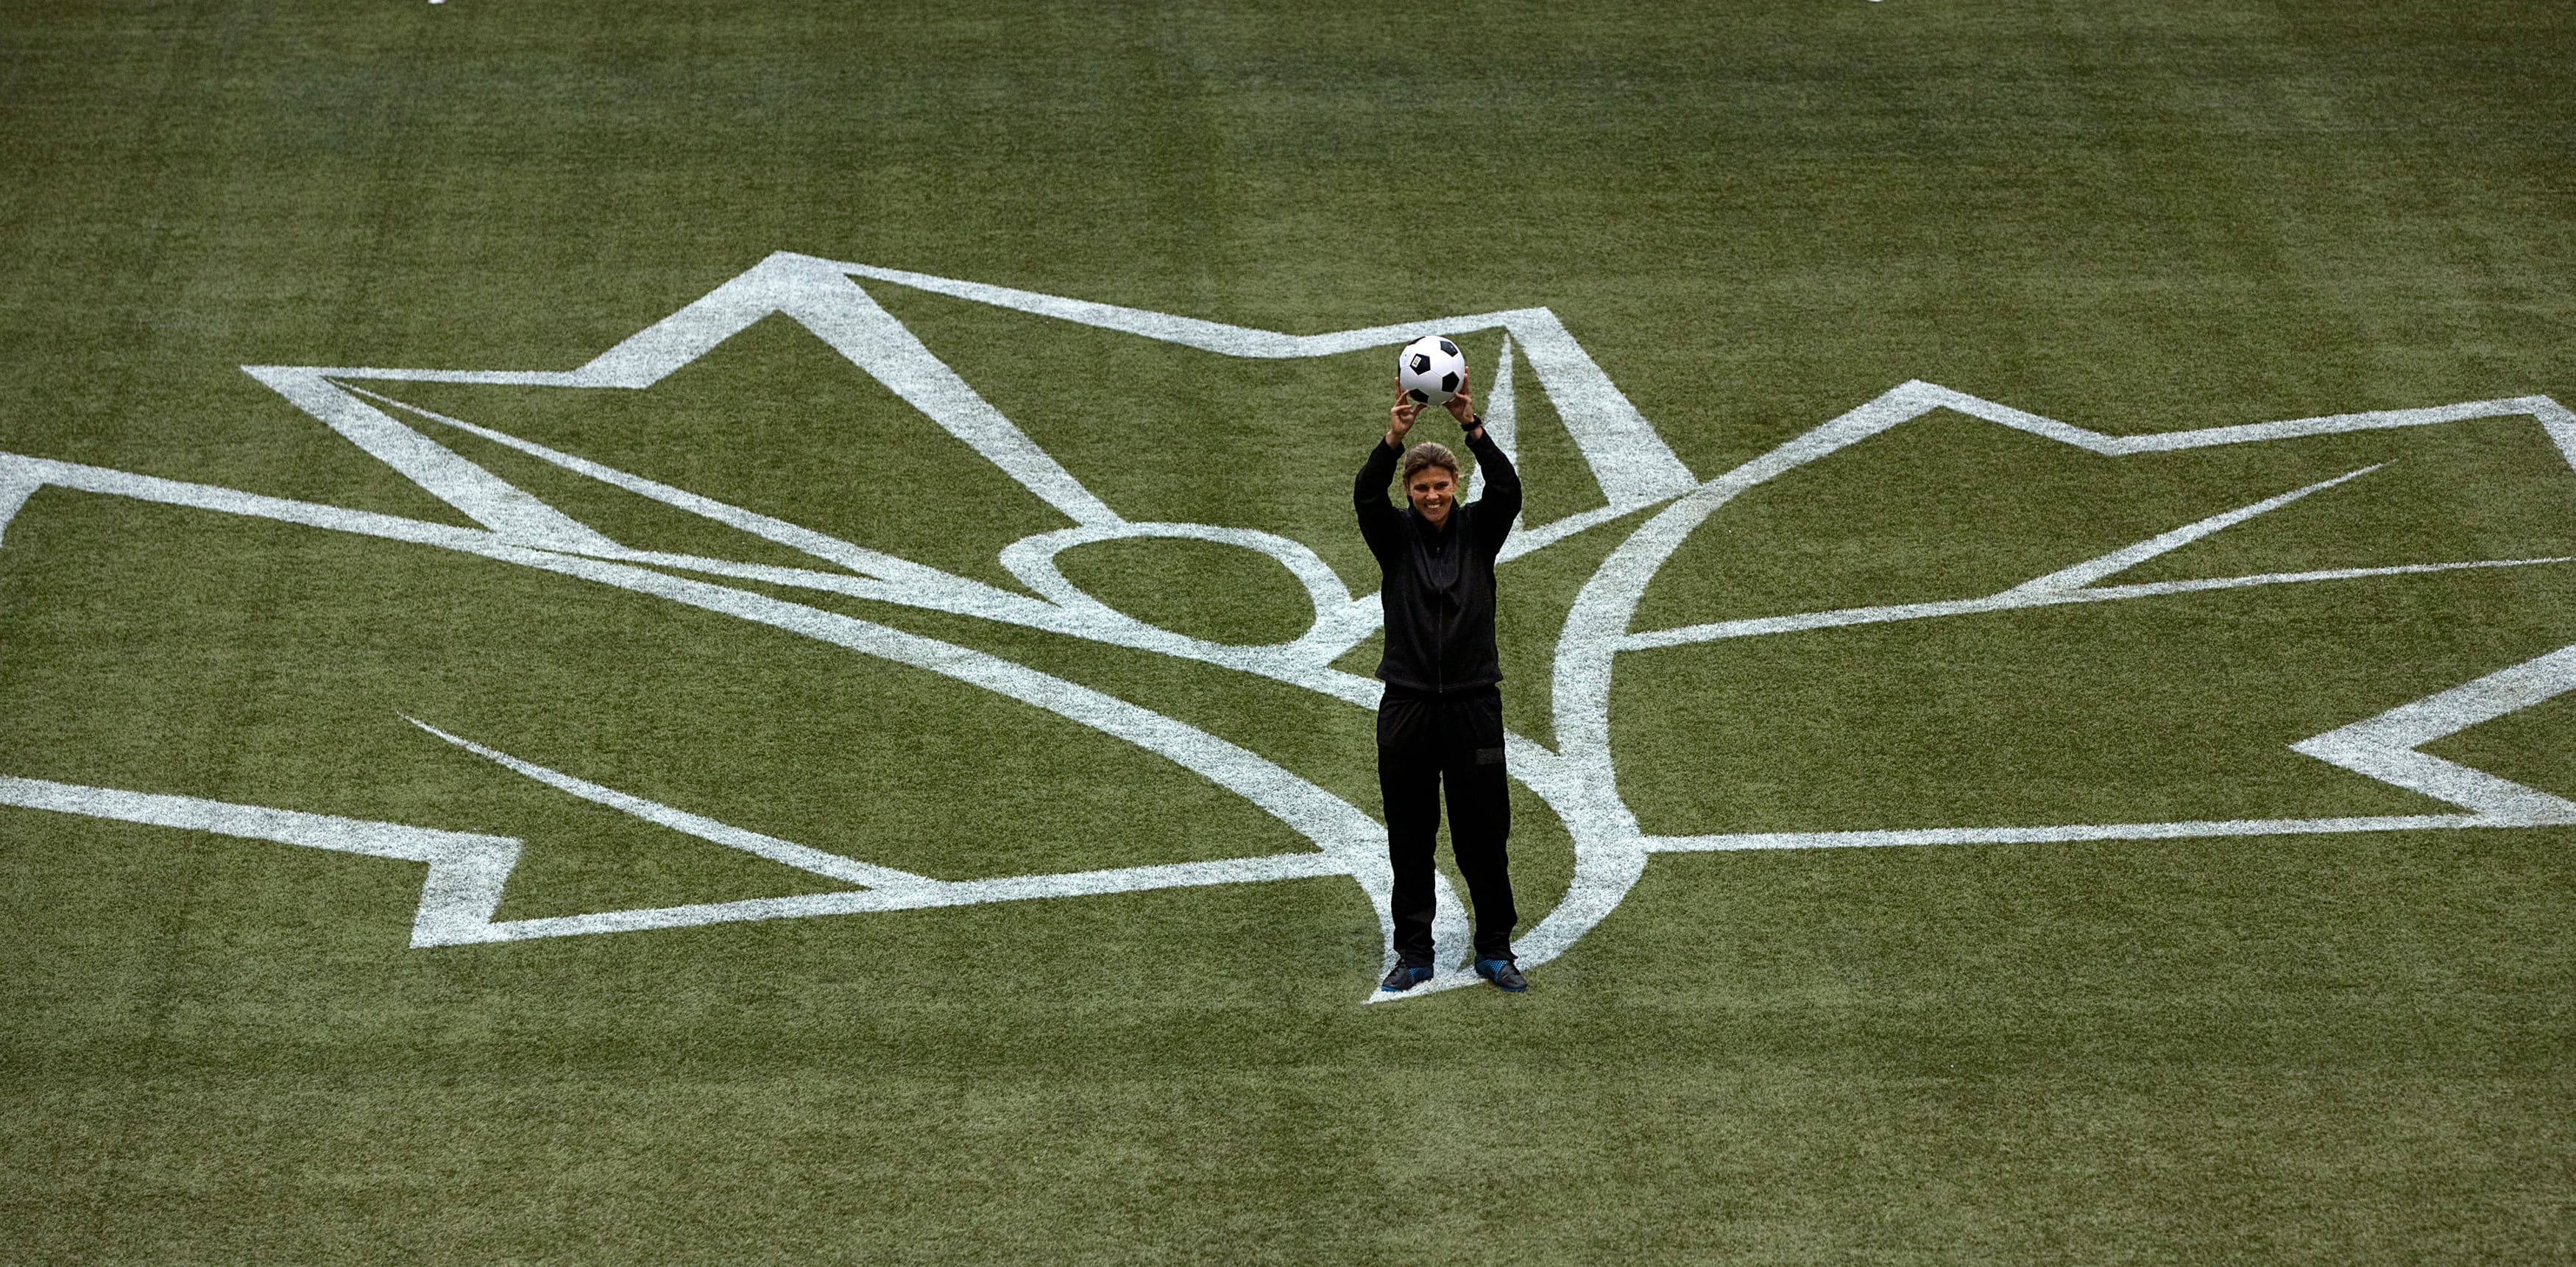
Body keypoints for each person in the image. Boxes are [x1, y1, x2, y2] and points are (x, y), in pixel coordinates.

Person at [1354, 361, 1526, 992]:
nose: (1431, 495)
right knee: (1410, 833)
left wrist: (1470, 425)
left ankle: (1495, 948)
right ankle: (1415, 952)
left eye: (1441, 485)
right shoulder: (1393, 538)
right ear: (1411, 490)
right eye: (1421, 487)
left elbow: (1507, 490)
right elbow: (1364, 496)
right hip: (1408, 707)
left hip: (1474, 707)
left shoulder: (1481, 533)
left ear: (1456, 484)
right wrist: (1393, 436)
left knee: (1485, 833)